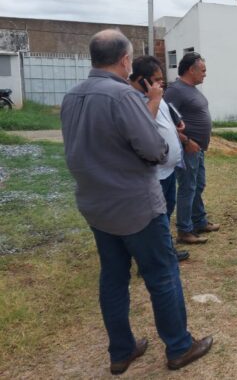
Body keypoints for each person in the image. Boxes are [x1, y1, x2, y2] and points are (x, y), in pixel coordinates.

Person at [60, 30, 212, 374]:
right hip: (135, 205)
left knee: (113, 276)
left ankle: (121, 350)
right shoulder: (122, 97)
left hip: (95, 205)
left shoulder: (71, 96)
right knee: (162, 274)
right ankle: (179, 346)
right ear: (126, 60)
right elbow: (154, 149)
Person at [129, 55, 189, 262]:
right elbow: (141, 127)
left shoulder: (157, 96)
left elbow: (161, 123)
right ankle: (150, 257)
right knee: (153, 219)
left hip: (169, 170)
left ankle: (165, 249)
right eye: (156, 79)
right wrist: (154, 99)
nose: (161, 83)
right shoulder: (133, 99)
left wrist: (177, 130)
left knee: (165, 214)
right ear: (140, 80)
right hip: (153, 174)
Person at [164, 52, 220, 245]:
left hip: (198, 149)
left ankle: (199, 221)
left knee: (198, 185)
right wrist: (186, 141)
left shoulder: (192, 89)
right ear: (191, 70)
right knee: (187, 187)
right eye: (203, 70)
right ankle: (184, 230)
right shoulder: (175, 91)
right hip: (188, 149)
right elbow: (166, 123)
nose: (205, 74)